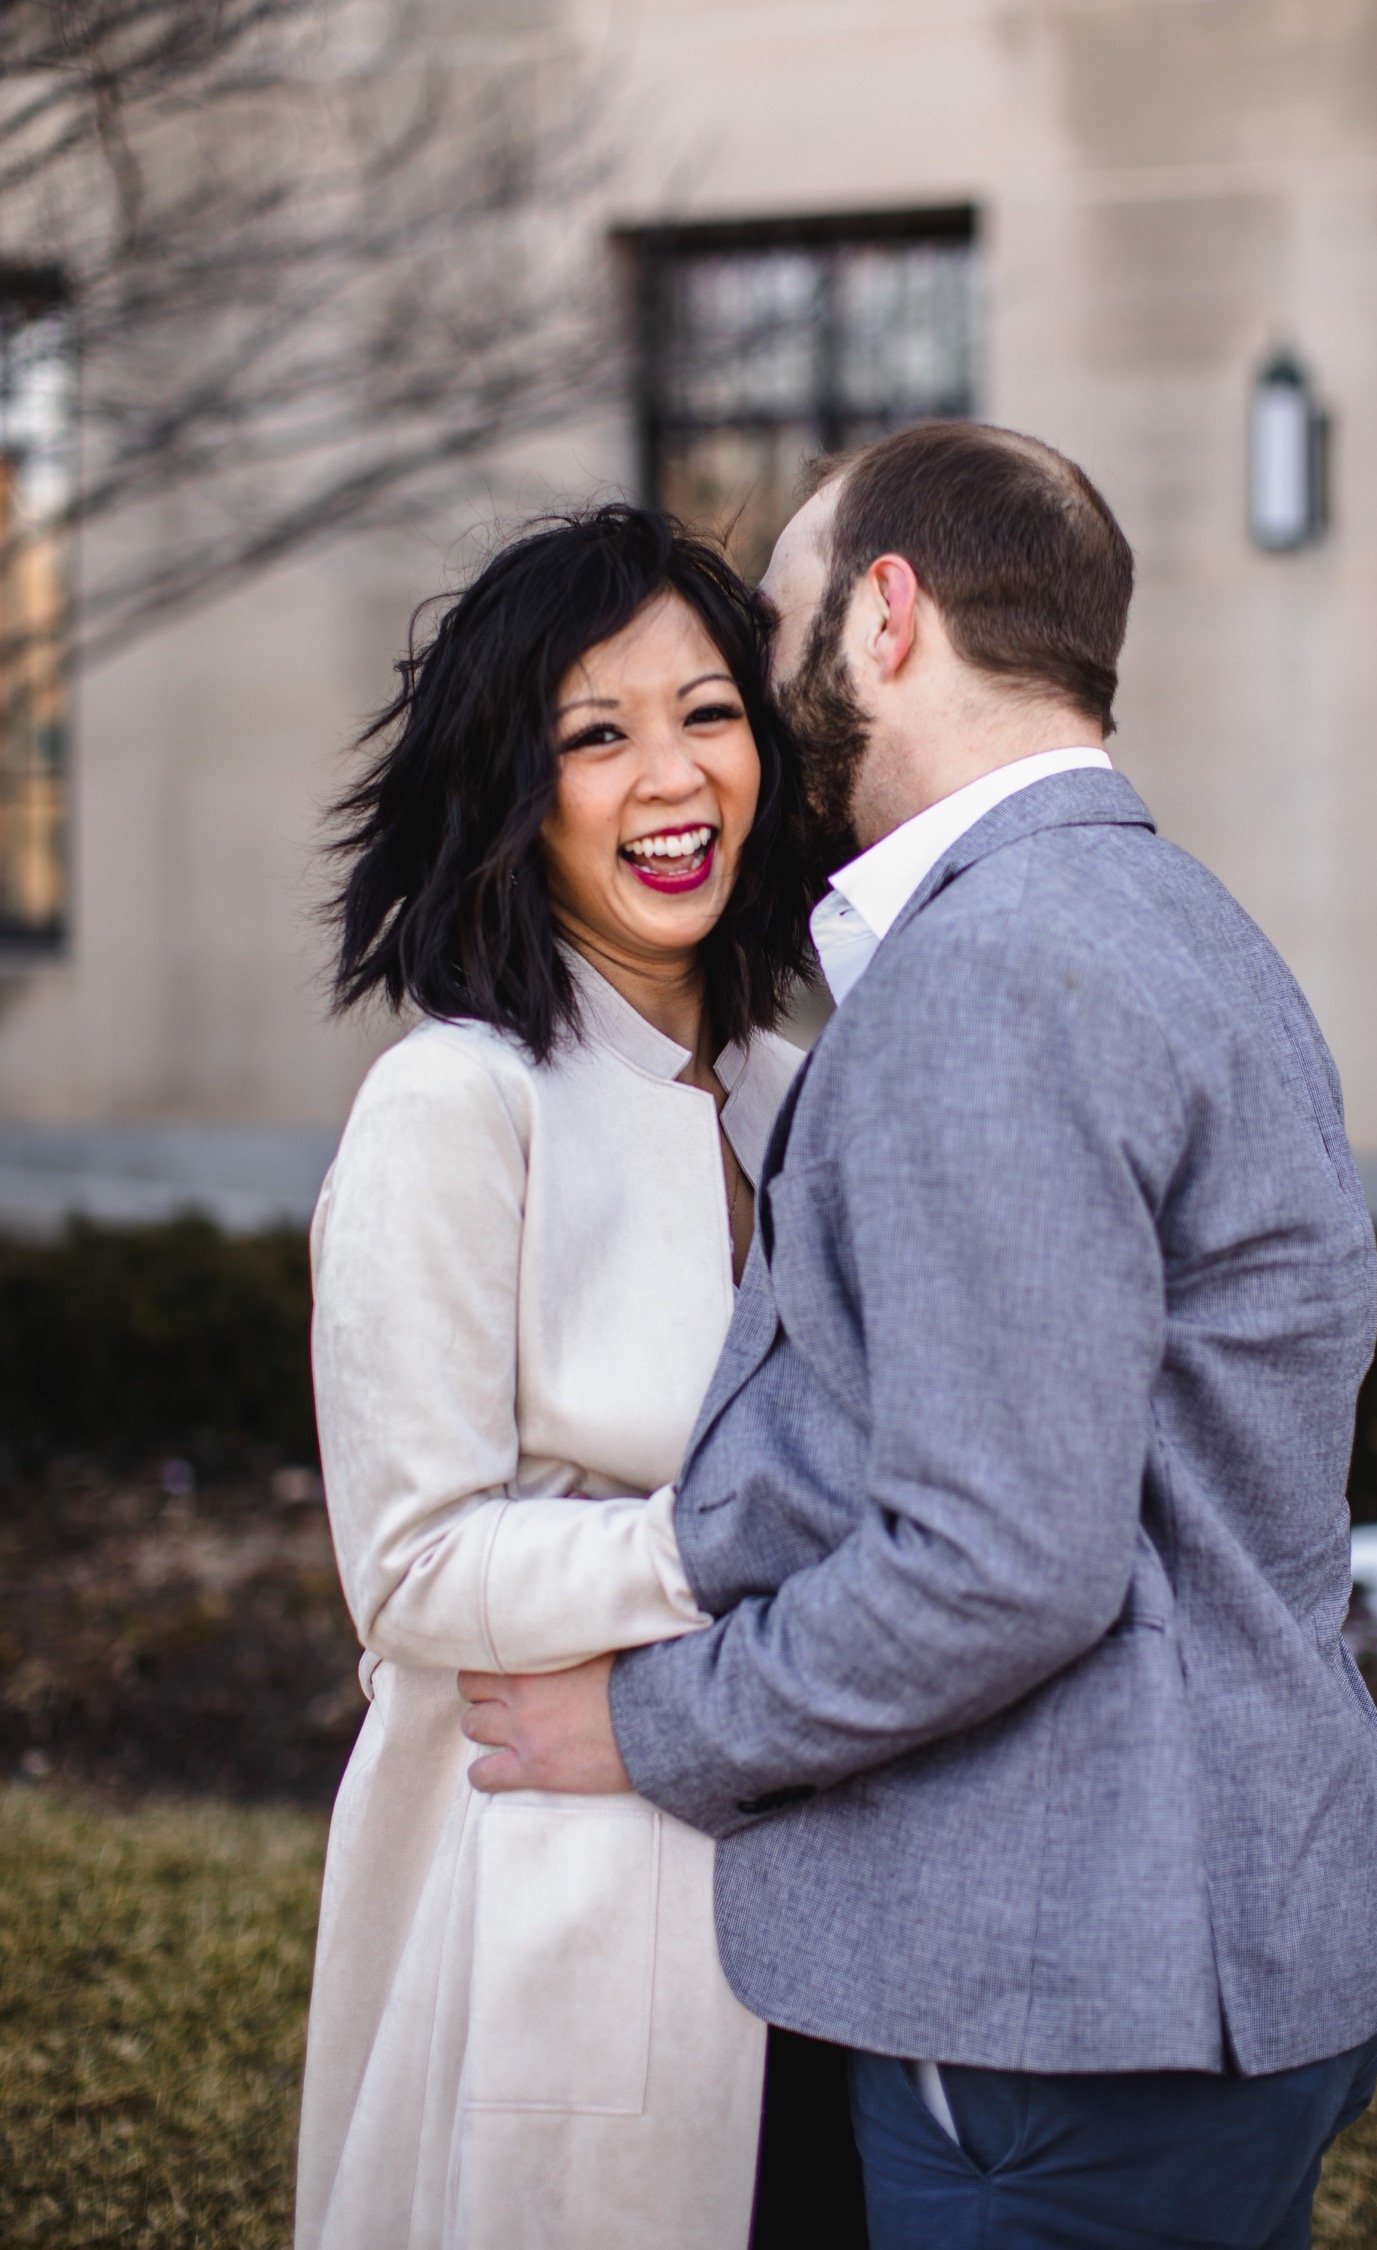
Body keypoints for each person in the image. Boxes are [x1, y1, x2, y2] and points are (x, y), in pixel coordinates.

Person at [459, 423, 1377, 2249]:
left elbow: (1001, 1562)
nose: (758, 675)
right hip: (1223, 1946)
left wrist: (651, 1721)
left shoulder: (988, 978)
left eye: (782, 618)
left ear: (887, 616)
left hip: (1065, 2007)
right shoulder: (1181, 922)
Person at [294, 505, 825, 2250]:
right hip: (552, 1909)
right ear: (510, 794)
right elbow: (415, 1564)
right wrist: (718, 1545)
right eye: (595, 735)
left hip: (811, 1913)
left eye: (709, 711)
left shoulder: (785, 1082)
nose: (671, 777)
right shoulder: (460, 1103)